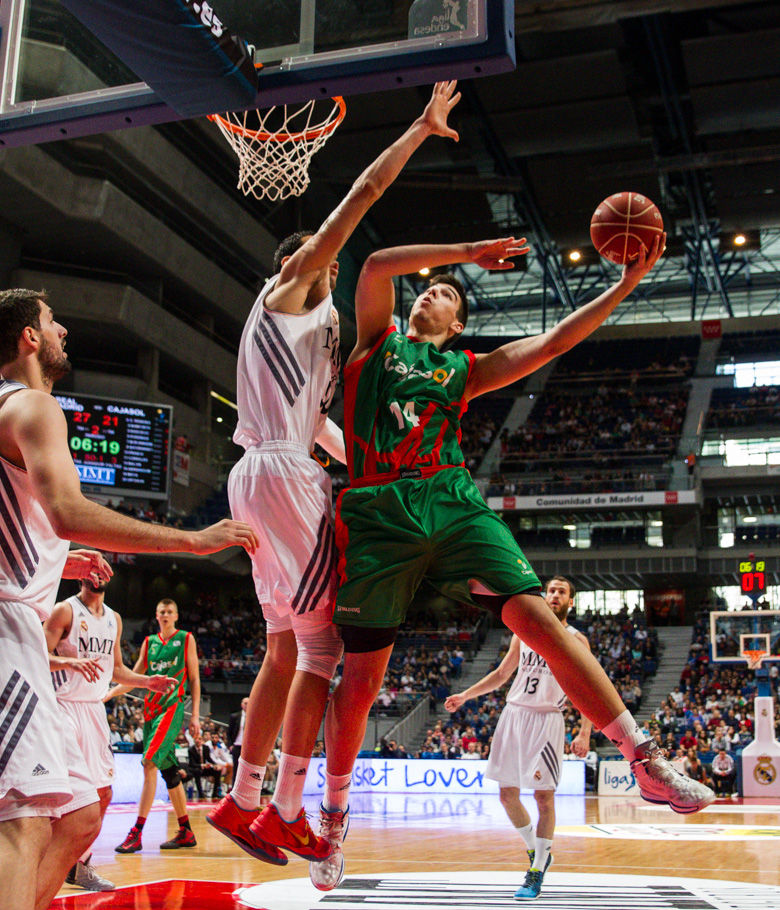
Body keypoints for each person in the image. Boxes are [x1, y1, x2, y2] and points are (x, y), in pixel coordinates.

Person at [300, 228, 713, 891]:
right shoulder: (376, 344)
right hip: (376, 508)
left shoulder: (464, 369)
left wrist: (626, 285)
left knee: (540, 622)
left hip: (450, 495)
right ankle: (333, 814)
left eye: (443, 295)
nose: (428, 293)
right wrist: (462, 253)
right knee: (362, 678)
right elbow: (376, 264)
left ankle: (643, 756)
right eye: (427, 287)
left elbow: (552, 343)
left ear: (458, 324)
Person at [206, 81, 463, 869]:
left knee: (284, 648)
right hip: (282, 479)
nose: (336, 258)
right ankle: (287, 809)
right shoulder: (290, 289)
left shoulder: (308, 338)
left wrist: (393, 465)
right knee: (323, 655)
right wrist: (419, 129)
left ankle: (244, 799)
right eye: (326, 254)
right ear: (302, 264)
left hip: (261, 473)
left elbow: (327, 429)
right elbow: (362, 192)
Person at [0, 288, 257, 910]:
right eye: (52, 320)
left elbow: (36, 523)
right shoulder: (33, 405)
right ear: (29, 338)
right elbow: (65, 512)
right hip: (8, 632)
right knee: (23, 822)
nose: (63, 328)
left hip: (22, 629)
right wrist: (193, 541)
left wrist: (62, 558)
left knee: (81, 814)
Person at [445, 576, 591, 900]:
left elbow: (588, 689)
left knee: (543, 798)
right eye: (550, 590)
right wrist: (466, 695)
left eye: (561, 592)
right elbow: (500, 675)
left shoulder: (577, 641)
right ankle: (537, 852)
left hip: (547, 719)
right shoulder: (524, 632)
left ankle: (536, 871)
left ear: (571, 602)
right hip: (513, 715)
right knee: (507, 795)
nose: (553, 595)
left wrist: (584, 732)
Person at [43, 575, 176, 891]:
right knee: (68, 795)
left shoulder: (114, 619)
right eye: (91, 570)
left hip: (93, 710)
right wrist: (69, 663)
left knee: (103, 794)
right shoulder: (65, 610)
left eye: (102, 570)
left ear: (109, 576)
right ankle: (41, 860)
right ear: (81, 576)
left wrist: (146, 682)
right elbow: (39, 656)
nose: (97, 575)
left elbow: (115, 669)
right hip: (62, 707)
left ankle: (79, 865)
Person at [108, 598, 203, 852]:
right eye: (162, 611)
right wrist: (107, 694)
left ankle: (136, 833)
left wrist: (194, 715)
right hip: (151, 712)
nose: (165, 615)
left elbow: (194, 679)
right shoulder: (149, 643)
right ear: (156, 614)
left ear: (176, 616)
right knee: (169, 771)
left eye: (170, 611)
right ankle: (186, 831)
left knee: (149, 763)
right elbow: (133, 679)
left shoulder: (185, 639)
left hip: (172, 709)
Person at [228, 696, 249, 768]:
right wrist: (230, 745)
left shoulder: (254, 717)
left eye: (249, 703)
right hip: (237, 744)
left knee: (247, 767)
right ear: (242, 704)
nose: (247, 705)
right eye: (245, 703)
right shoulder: (235, 716)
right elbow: (229, 732)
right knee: (236, 767)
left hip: (248, 747)